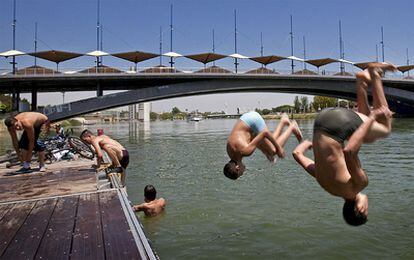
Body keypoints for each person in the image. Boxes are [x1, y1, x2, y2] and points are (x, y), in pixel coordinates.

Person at [292, 62, 396, 226]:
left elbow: (349, 151)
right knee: (368, 136)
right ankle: (361, 82)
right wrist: (307, 143)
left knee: (384, 127)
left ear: (359, 209)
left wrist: (374, 116)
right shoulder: (327, 184)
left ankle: (375, 74)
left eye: (366, 210)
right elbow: (297, 155)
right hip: (320, 122)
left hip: (337, 124)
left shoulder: (358, 185)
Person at [224, 111, 303, 180]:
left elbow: (265, 133)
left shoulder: (244, 151)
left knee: (274, 151)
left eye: (240, 174)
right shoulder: (230, 151)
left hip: (253, 121)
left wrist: (279, 149)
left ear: (238, 168)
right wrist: (266, 152)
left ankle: (292, 126)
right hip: (246, 119)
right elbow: (252, 139)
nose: (243, 173)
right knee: (270, 148)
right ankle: (284, 121)